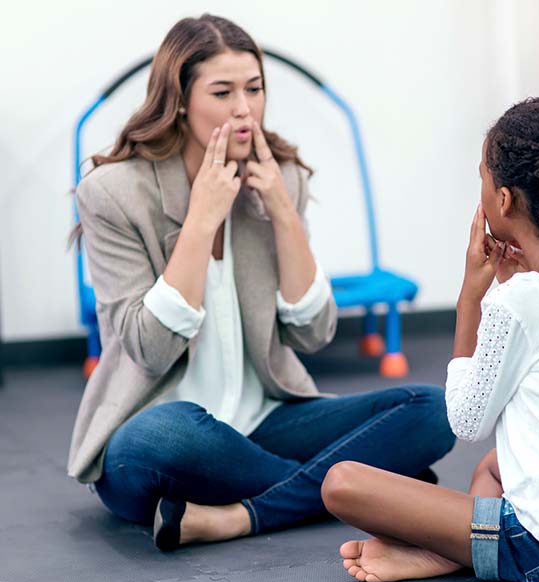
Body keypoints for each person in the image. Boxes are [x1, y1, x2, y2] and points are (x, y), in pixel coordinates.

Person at [67, 13, 454, 552]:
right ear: (179, 100)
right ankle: (360, 487)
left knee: (433, 409)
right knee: (164, 434)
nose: (244, 108)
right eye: (222, 92)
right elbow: (149, 350)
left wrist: (280, 209)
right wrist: (202, 218)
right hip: (160, 429)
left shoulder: (281, 177)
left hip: (264, 420)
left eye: (254, 89)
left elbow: (313, 334)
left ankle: (240, 515)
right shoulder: (113, 192)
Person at [321, 97, 539, 582]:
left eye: (482, 176)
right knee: (495, 467)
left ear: (502, 200)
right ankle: (458, 549)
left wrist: (471, 298)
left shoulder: (516, 303)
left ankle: (452, 551)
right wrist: (509, 289)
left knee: (343, 483)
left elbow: (467, 419)